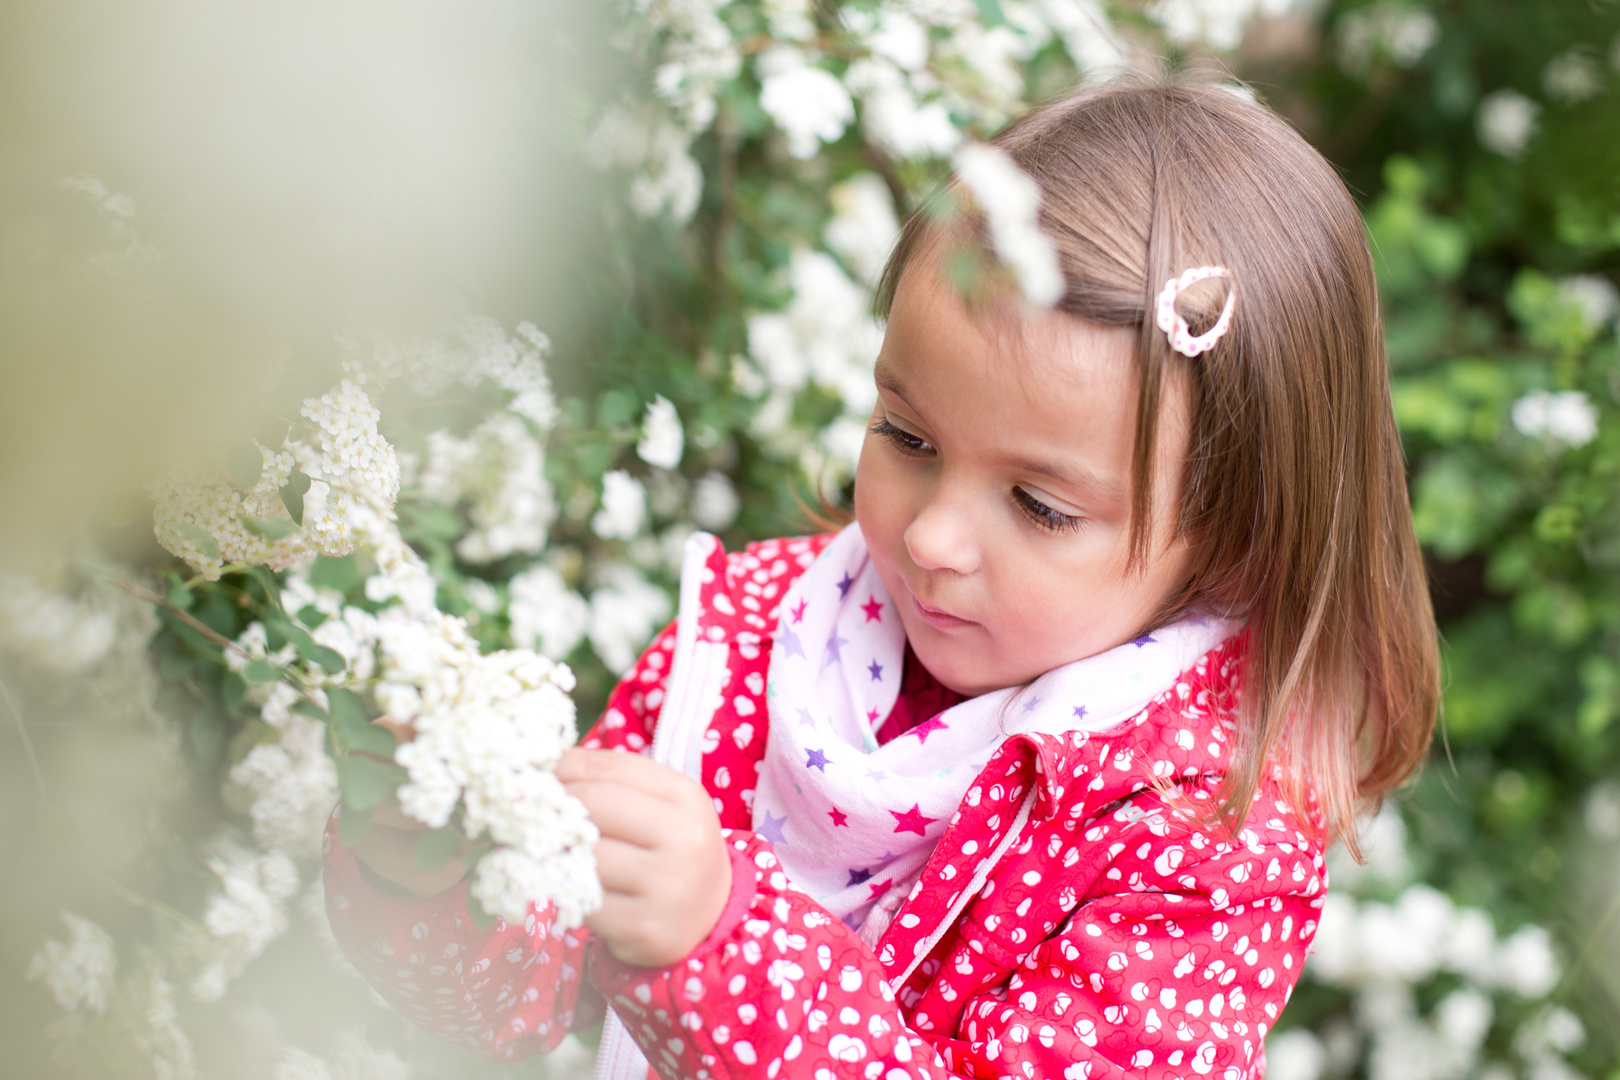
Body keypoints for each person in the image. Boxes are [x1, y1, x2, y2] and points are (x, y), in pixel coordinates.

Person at [324, 75, 1439, 1080]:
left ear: (1235, 533)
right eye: (907, 436)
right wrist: (433, 872)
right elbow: (518, 999)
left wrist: (722, 947)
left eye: (1041, 506)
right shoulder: (761, 635)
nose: (933, 538)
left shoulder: (1205, 832)